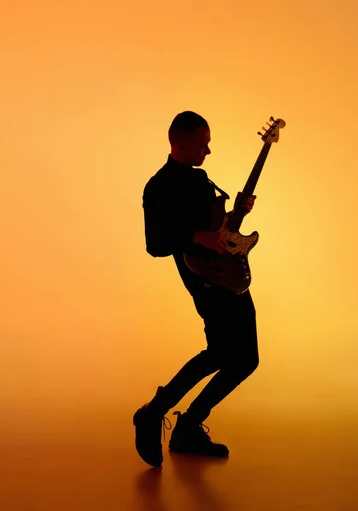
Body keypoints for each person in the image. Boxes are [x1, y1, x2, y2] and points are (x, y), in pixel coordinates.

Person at [133, 111, 259, 467]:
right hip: (204, 277)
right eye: (202, 144)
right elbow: (155, 243)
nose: (208, 150)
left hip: (231, 273)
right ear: (180, 143)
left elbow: (219, 229)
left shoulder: (201, 180)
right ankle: (155, 412)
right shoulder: (158, 186)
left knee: (246, 359)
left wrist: (237, 213)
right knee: (221, 353)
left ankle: (187, 426)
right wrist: (193, 235)